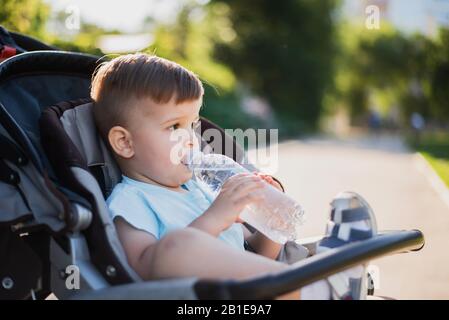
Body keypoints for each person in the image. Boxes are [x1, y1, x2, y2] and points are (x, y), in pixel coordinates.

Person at [91, 53, 376, 299]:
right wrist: (216, 216)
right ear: (125, 143)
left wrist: (269, 225)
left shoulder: (199, 189)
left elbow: (251, 260)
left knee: (235, 245)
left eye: (192, 125)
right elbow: (144, 269)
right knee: (176, 246)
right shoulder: (131, 200)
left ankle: (325, 280)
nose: (191, 139)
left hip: (247, 297)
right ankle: (318, 287)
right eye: (173, 126)